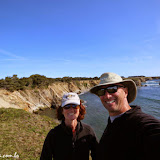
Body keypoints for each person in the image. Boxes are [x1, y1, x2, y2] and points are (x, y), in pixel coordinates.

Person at [90, 72, 160, 160]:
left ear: (125, 92)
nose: (107, 96)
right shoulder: (112, 121)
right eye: (101, 91)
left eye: (113, 89)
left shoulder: (142, 125)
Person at [40, 92, 98, 160]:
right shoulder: (53, 135)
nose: (71, 109)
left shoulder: (88, 131)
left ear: (80, 108)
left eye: (75, 106)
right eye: (67, 106)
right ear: (62, 110)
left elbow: (98, 155)